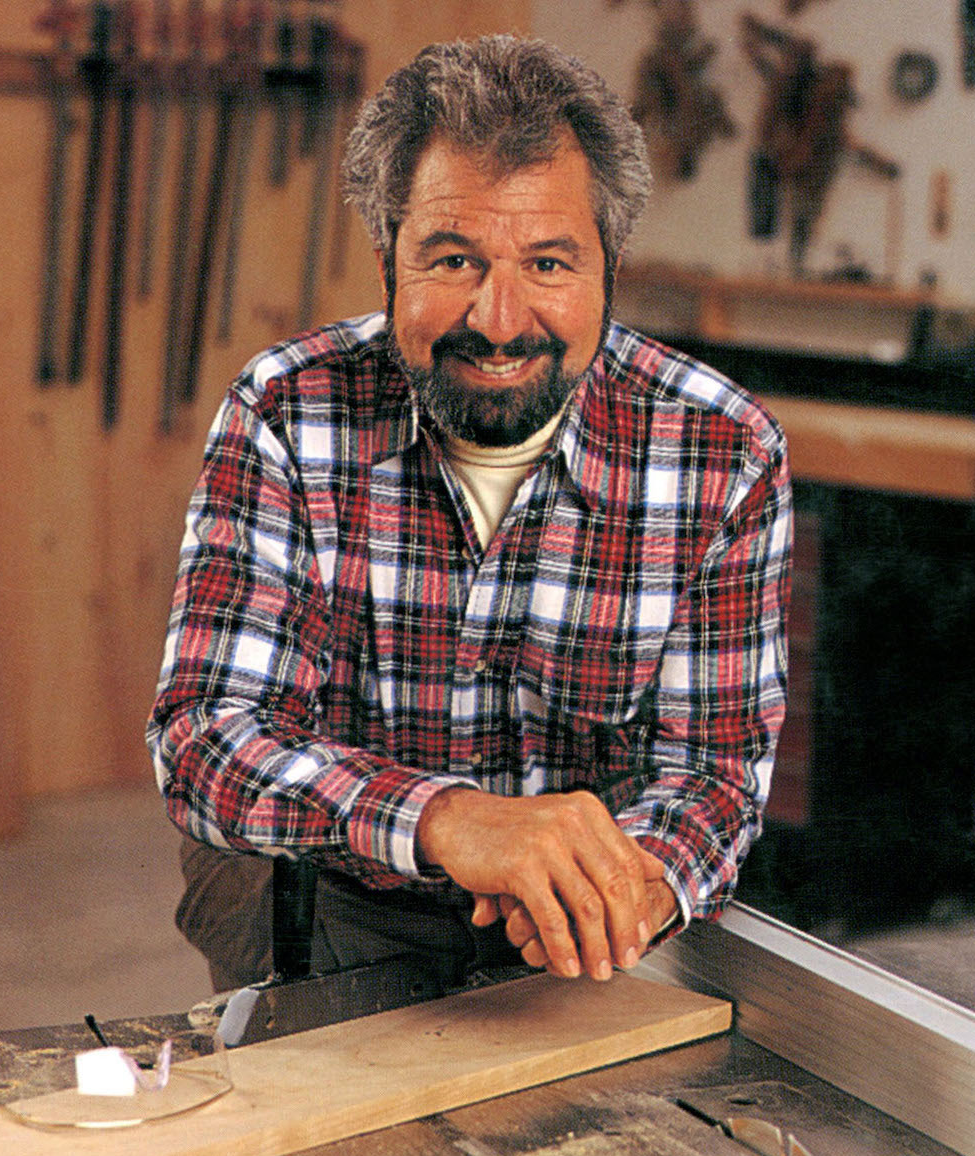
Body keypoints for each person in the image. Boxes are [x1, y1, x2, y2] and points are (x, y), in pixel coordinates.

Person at [147, 35, 792, 994]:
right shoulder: (286, 409)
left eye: (547, 263)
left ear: (610, 264)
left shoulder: (723, 449)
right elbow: (208, 734)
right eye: (453, 259)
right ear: (386, 260)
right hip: (327, 891)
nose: (498, 319)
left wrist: (633, 886)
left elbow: (713, 771)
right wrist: (448, 820)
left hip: (575, 933)